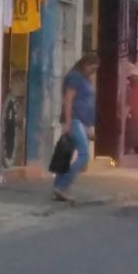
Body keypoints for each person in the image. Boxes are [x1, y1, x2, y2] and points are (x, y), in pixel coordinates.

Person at [56, 53, 100, 202]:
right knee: (83, 155)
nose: (92, 72)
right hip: (74, 120)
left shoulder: (85, 79)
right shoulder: (75, 77)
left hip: (81, 121)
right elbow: (68, 100)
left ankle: (59, 186)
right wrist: (68, 123)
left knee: (68, 155)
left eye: (95, 70)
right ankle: (62, 185)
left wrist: (89, 125)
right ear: (85, 64)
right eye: (91, 68)